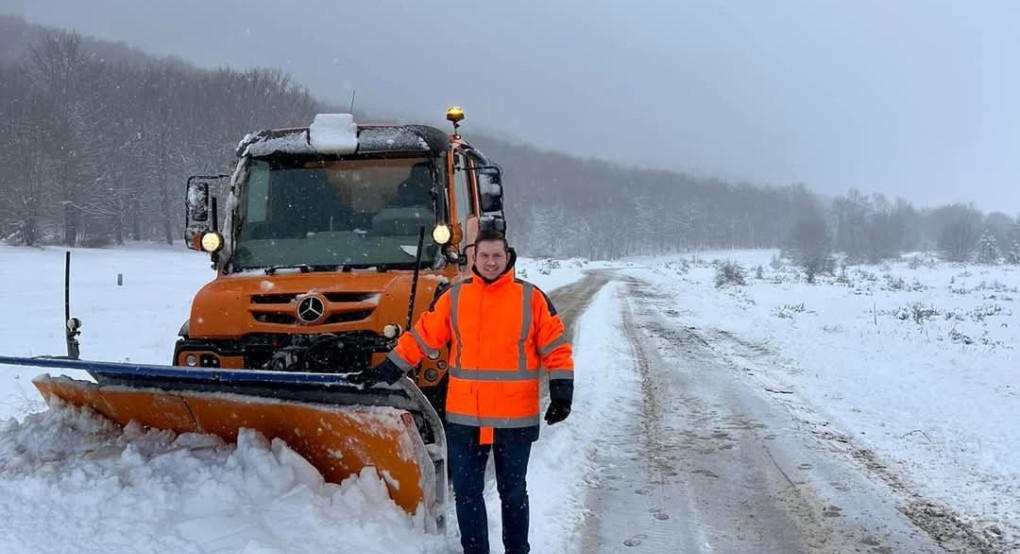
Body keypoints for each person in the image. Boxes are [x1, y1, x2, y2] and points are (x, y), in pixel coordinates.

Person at [350, 229, 574, 554]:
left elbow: (556, 348)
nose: (491, 262)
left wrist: (561, 392)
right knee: (467, 494)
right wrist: (387, 369)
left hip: (515, 421)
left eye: (497, 255)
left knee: (513, 493)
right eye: (484, 256)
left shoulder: (531, 298)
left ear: (508, 256)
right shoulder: (455, 298)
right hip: (465, 420)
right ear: (473, 258)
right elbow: (423, 335)